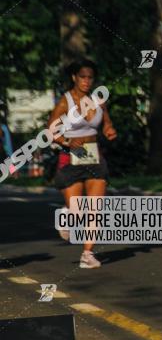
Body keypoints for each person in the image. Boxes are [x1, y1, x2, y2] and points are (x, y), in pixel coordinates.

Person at [48, 60, 117, 268]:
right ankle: (67, 215)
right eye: (82, 77)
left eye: (90, 77)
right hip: (71, 157)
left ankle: (88, 254)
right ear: (74, 78)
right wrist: (68, 141)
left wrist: (109, 131)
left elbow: (107, 124)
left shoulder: (98, 102)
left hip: (94, 157)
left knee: (95, 209)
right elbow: (50, 132)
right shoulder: (65, 102)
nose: (86, 81)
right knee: (78, 212)